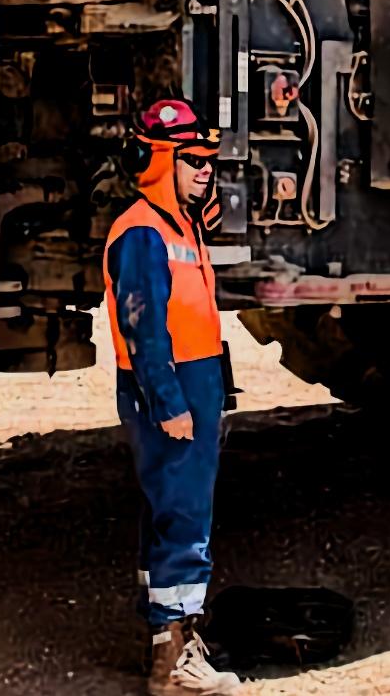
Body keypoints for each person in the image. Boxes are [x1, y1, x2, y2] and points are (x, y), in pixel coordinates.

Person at [103, 98, 241, 695]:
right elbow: (143, 329)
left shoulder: (181, 226)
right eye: (193, 160)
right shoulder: (142, 231)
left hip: (195, 383)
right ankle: (173, 663)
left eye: (209, 160)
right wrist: (170, 405)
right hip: (172, 390)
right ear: (160, 162)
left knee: (171, 510)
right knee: (184, 517)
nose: (206, 170)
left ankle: (171, 638)